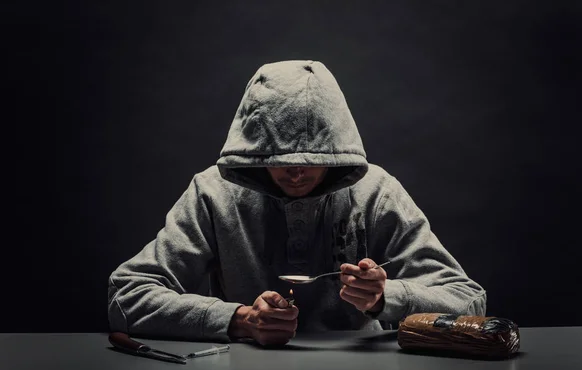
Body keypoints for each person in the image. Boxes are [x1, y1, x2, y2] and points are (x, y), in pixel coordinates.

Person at [107, 60, 486, 346]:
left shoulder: (377, 193)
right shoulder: (212, 193)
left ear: (337, 150)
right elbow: (127, 296)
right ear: (253, 151)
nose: (296, 173)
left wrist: (386, 297)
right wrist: (238, 320)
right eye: (279, 159)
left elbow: (470, 302)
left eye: (313, 159)